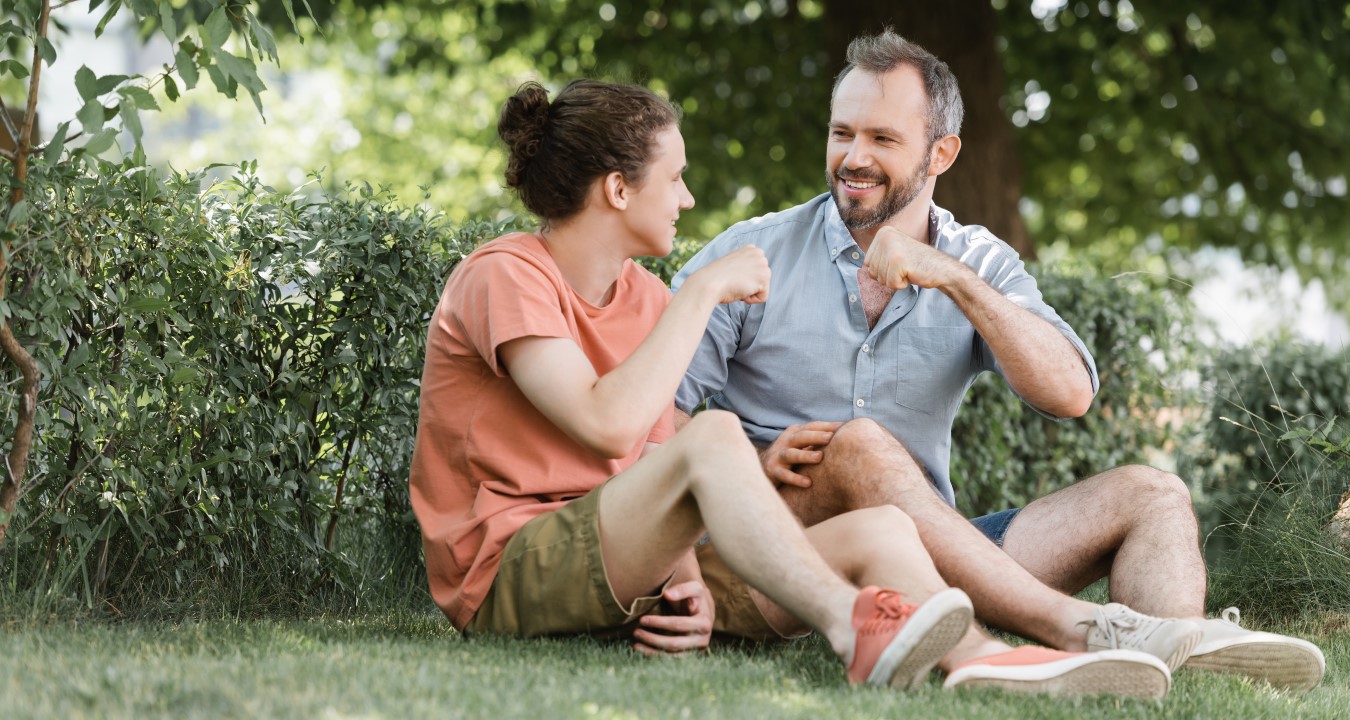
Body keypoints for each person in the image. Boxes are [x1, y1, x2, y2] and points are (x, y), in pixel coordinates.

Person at [410, 78, 1175, 698]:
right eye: (674, 179)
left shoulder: (644, 298)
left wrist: (692, 586)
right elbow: (605, 427)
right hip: (509, 568)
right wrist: (703, 292)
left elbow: (647, 456)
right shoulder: (506, 274)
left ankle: (984, 663)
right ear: (617, 189)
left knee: (884, 531)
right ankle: (853, 627)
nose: (686, 200)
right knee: (714, 436)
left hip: (617, 562)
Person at [671, 29, 1325, 693]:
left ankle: (1163, 658)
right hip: (779, 556)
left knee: (1153, 494)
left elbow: (1069, 392)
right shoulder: (751, 255)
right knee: (860, 445)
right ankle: (1080, 627)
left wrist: (950, 278)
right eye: (842, 133)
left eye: (883, 140)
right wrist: (749, 466)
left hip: (931, 555)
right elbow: (650, 422)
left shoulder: (975, 260)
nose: (853, 158)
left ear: (941, 154)